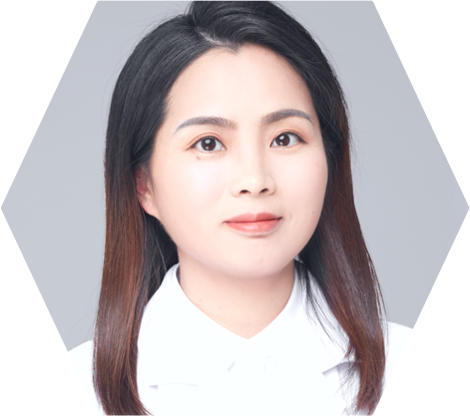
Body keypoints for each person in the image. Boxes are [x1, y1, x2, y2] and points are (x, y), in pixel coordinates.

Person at [69, 1, 412, 415]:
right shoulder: (60, 395)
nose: (254, 179)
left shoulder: (427, 372)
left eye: (285, 138)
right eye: (208, 143)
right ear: (144, 186)